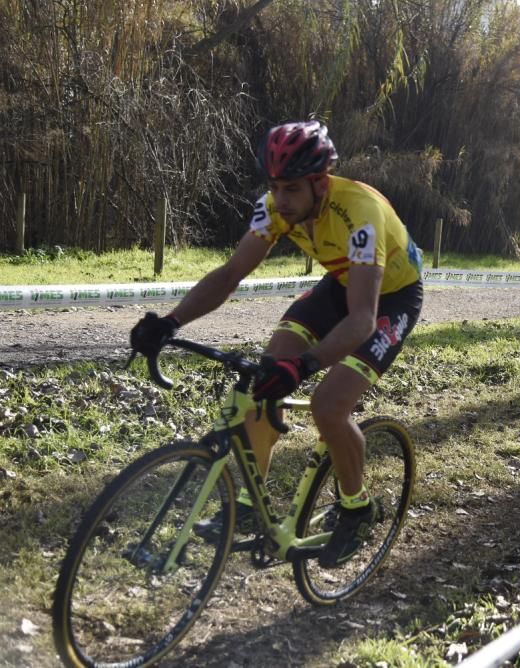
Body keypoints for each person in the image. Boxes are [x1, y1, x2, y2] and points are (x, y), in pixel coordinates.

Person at [129, 120, 424, 567]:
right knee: (263, 378)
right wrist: (170, 322)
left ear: (320, 184)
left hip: (391, 299)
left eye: (290, 190)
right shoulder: (275, 207)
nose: (280, 201)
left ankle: (357, 508)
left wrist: (304, 366)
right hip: (341, 283)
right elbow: (230, 274)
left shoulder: (359, 213)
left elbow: (363, 318)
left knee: (329, 406)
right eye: (274, 187)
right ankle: (249, 505)